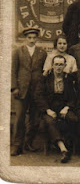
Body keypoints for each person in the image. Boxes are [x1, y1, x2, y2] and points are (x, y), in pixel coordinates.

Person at [34, 55, 78, 163]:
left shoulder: (69, 79)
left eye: (61, 64)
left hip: (63, 108)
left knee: (73, 119)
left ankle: (68, 143)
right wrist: (48, 110)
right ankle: (63, 148)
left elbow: (73, 97)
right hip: (48, 108)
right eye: (56, 64)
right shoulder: (45, 79)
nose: (58, 67)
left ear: (65, 66)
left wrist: (67, 108)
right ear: (52, 65)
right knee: (49, 121)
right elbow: (38, 96)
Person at [11, 27, 47, 156]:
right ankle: (17, 145)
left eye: (34, 38)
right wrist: (14, 87)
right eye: (29, 38)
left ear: (37, 38)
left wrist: (41, 90)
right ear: (25, 38)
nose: (32, 40)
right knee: (20, 118)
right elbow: (13, 71)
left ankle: (28, 143)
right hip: (21, 90)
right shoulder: (18, 52)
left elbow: (44, 72)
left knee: (34, 119)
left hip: (36, 91)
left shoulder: (42, 53)